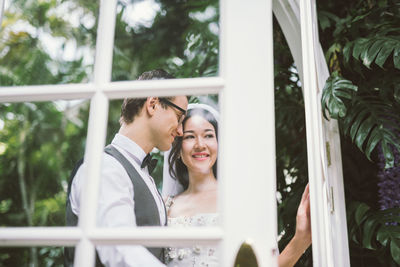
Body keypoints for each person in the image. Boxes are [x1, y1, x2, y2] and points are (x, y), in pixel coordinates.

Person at [65, 69, 188, 267]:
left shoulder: (143, 174)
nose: (181, 130)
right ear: (153, 104)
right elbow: (121, 251)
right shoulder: (104, 167)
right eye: (179, 116)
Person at [163, 103, 311, 267]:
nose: (200, 144)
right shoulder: (165, 206)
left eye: (208, 135)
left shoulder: (240, 199)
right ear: (177, 148)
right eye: (189, 136)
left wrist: (300, 240)